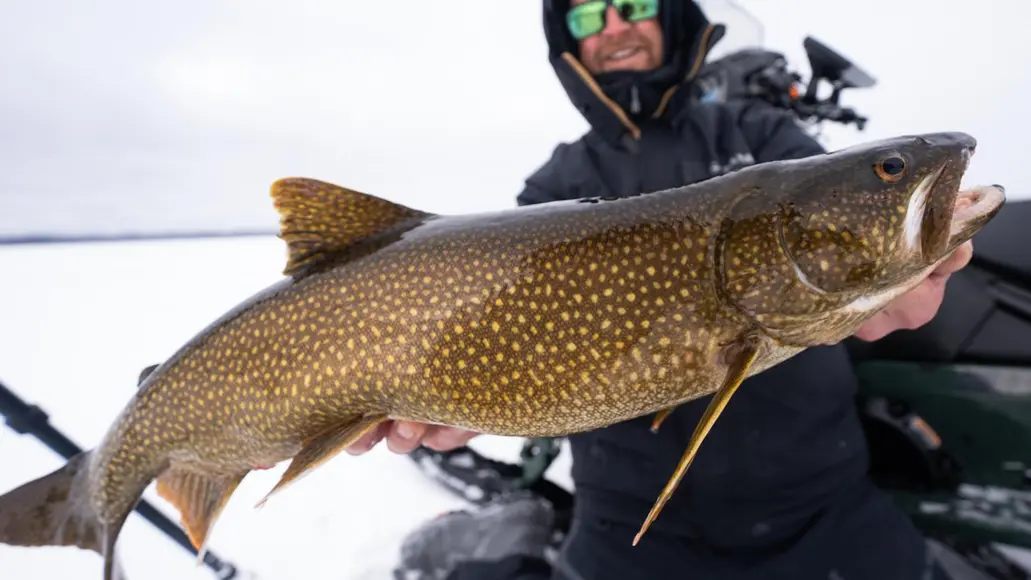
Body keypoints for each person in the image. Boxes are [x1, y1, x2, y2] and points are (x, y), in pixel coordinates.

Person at [351, 1, 978, 579]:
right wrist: (467, 403)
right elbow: (512, 331)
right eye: (588, 15)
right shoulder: (556, 183)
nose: (615, 26)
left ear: (673, 16)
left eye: (637, 4)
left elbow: (856, 274)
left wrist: (894, 293)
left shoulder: (759, 134)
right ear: (568, 44)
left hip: (820, 506)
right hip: (626, 530)